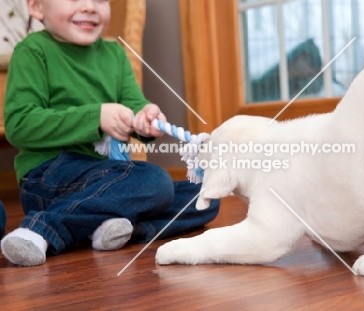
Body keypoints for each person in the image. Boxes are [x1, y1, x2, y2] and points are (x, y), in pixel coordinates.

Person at [0, 0, 219, 267]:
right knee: (155, 182)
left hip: (109, 180)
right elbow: (20, 125)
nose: (90, 7)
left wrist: (147, 118)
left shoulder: (115, 54)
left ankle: (115, 228)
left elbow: (134, 106)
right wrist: (97, 117)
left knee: (205, 196)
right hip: (50, 177)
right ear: (36, 7)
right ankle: (44, 228)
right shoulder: (33, 51)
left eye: (100, 0)